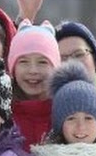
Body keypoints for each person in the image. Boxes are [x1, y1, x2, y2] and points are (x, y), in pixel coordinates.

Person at [6, 19, 61, 147]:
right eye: (23, 62)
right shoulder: (2, 114)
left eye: (42, 62)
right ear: (13, 68)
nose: (33, 71)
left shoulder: (66, 111)